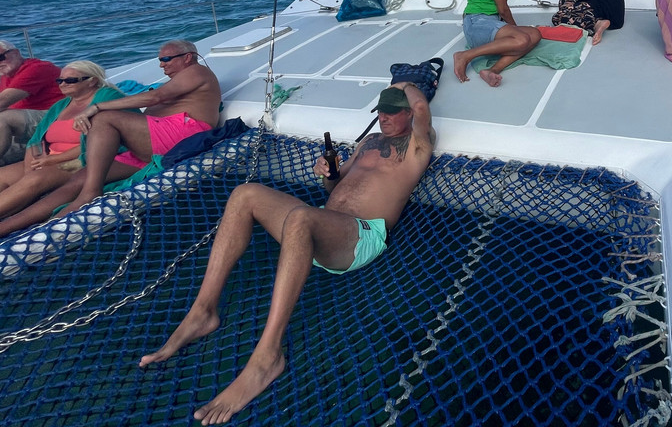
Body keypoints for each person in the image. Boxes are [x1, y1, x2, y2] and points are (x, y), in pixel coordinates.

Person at [139, 82, 434, 425]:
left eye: (392, 112)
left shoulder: (417, 145)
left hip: (361, 236)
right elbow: (336, 186)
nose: (383, 118)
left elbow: (422, 109)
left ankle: (267, 356)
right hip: (323, 227)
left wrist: (404, 83)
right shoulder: (369, 141)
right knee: (245, 193)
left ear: (409, 114)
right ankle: (203, 312)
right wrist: (327, 173)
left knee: (301, 218)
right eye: (380, 112)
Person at [55, 40, 222, 218]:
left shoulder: (197, 71)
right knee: (80, 178)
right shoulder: (179, 82)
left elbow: (155, 97)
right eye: (160, 60)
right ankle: (36, 224)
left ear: (188, 57)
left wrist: (98, 107)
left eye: (166, 59)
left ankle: (90, 193)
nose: (162, 65)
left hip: (180, 138)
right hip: (151, 144)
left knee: (104, 118)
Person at [0, 61, 131, 238]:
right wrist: (29, 165)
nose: (62, 84)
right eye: (59, 81)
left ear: (92, 81)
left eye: (70, 80)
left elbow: (104, 142)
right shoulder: (61, 106)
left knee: (34, 179)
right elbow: (35, 140)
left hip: (80, 161)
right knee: (4, 175)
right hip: (48, 159)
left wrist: (51, 161)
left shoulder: (107, 98)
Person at [0, 42, 63, 165]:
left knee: (2, 119)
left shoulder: (36, 68)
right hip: (27, 128)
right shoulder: (6, 77)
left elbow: (2, 102)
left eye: (1, 57)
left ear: (16, 53)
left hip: (53, 118)